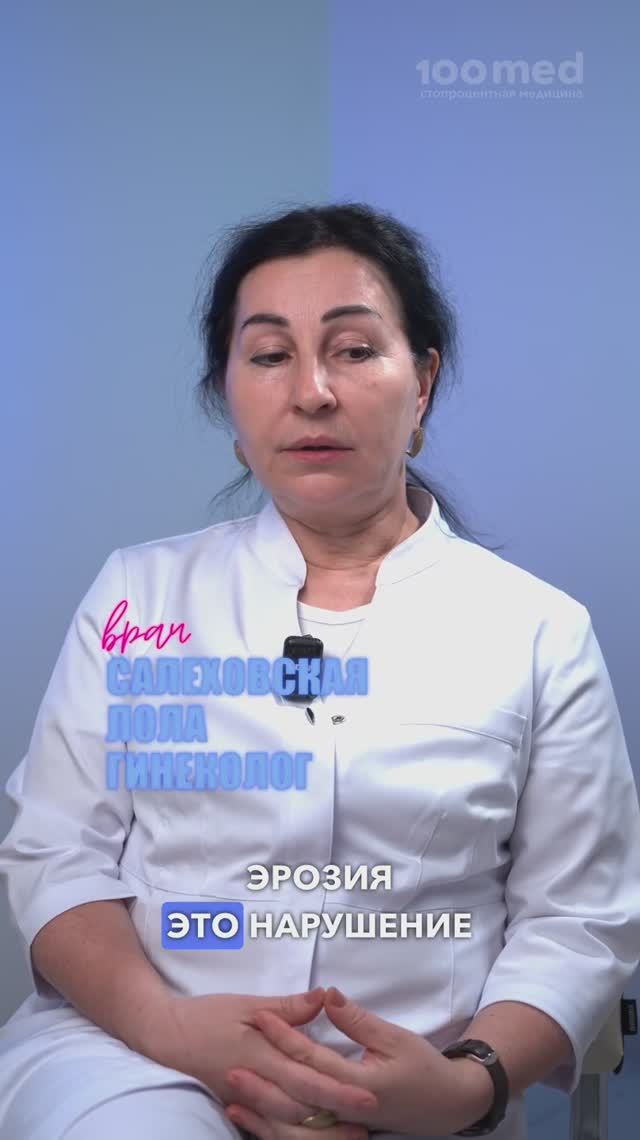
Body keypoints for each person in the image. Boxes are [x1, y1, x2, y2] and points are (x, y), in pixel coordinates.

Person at [0, 202, 639, 1140]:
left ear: (421, 384)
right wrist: (171, 1030)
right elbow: (57, 855)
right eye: (269, 355)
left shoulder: (538, 630)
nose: (312, 392)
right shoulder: (140, 594)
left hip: (421, 1087)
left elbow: (579, 919)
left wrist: (465, 1087)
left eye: (353, 350)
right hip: (138, 1062)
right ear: (228, 395)